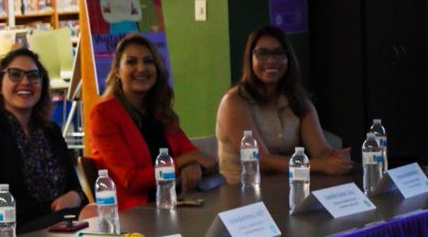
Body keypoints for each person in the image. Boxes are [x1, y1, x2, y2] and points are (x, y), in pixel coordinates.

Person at [86, 33, 216, 211]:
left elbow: (201, 158)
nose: (141, 68)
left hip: (176, 204)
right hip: (137, 214)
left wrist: (192, 163)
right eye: (131, 62)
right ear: (117, 71)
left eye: (148, 61)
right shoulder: (103, 114)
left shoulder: (160, 111)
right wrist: (185, 160)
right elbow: (131, 181)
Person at [215, 24, 352, 183]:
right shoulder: (234, 101)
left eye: (279, 53)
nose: (271, 60)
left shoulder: (299, 100)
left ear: (289, 58)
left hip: (289, 188)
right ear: (250, 58)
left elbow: (320, 150)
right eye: (262, 53)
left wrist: (334, 158)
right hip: (242, 195)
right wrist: (320, 165)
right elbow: (261, 160)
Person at [0, 48, 85, 232]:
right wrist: (52, 208)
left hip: (66, 225)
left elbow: (77, 188)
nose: (25, 82)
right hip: (18, 235)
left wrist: (75, 196)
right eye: (15, 74)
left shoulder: (51, 131)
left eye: (33, 75)